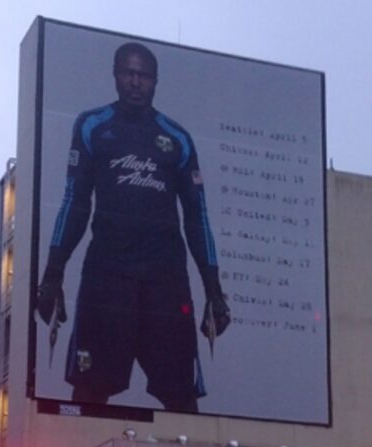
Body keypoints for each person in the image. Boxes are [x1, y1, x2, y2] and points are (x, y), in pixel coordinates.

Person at [37, 41, 230, 413]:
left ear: (155, 81)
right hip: (107, 276)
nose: (135, 82)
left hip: (165, 280)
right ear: (115, 75)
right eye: (128, 73)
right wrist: (52, 274)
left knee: (182, 399)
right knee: (90, 391)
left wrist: (214, 290)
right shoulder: (93, 126)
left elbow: (197, 216)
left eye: (144, 75)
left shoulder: (177, 137)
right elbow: (74, 203)